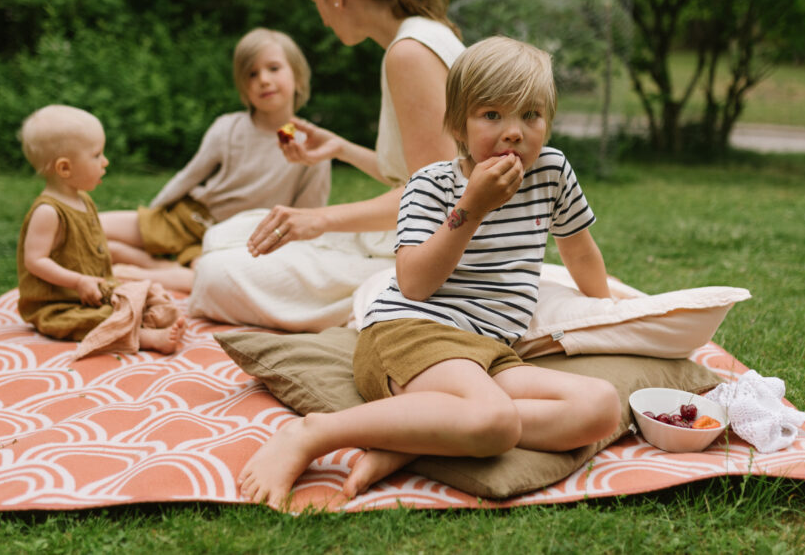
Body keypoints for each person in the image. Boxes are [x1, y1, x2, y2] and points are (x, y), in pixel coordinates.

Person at [237, 37, 621, 508]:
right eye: (492, 115)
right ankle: (313, 433)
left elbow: (579, 252)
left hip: (489, 350)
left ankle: (412, 441)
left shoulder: (551, 173)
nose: (514, 132)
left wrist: (611, 311)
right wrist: (472, 208)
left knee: (599, 407)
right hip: (412, 330)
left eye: (531, 115)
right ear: (459, 123)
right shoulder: (432, 185)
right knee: (495, 423)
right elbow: (416, 284)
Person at [188, 0, 464, 330]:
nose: (320, 16)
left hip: (432, 260)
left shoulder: (410, 53)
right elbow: (427, 173)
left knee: (215, 273)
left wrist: (320, 219)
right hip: (412, 239)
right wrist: (340, 148)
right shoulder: (419, 37)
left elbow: (436, 198)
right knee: (224, 236)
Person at [99, 28, 331, 294]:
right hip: (191, 218)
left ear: (299, 77)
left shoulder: (313, 145)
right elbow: (189, 176)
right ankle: (151, 259)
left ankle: (152, 269)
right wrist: (153, 216)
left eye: (274, 68)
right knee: (92, 227)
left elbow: (306, 216)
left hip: (235, 241)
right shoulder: (227, 127)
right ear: (242, 86)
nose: (263, 80)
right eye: (251, 74)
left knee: (213, 278)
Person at [17, 104, 185, 354]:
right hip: (60, 304)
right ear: (65, 168)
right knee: (99, 320)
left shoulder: (83, 200)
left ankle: (148, 317)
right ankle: (146, 337)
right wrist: (78, 281)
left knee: (143, 291)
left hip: (93, 291)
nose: (105, 162)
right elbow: (35, 261)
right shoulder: (48, 212)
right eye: (96, 155)